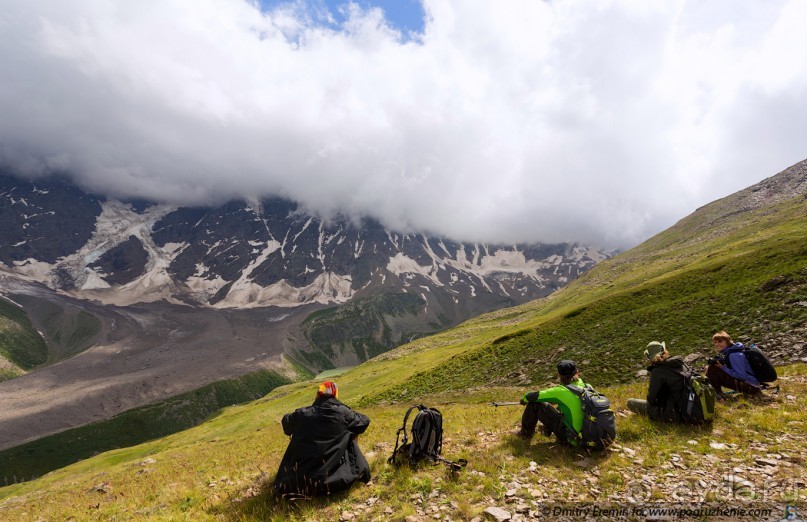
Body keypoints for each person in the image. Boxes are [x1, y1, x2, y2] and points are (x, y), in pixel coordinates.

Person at [274, 381, 371, 497]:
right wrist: (346, 409)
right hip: (336, 481)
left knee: (293, 433)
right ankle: (350, 466)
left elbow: (286, 423)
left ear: (318, 395)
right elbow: (364, 421)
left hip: (298, 482)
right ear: (335, 394)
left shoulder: (301, 414)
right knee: (352, 431)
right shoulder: (342, 413)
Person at [516, 360, 585, 445]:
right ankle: (545, 432)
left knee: (535, 403)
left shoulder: (561, 391)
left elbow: (532, 396)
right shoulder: (586, 387)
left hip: (571, 439)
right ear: (577, 372)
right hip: (586, 437)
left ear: (559, 374)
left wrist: (524, 400)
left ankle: (525, 435)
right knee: (561, 408)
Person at [627, 341, 693, 421]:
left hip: (676, 413)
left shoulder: (658, 371)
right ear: (664, 351)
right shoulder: (680, 363)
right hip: (691, 408)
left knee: (630, 402)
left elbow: (652, 400)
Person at [706, 331, 761, 397]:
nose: (717, 344)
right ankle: (717, 394)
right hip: (751, 385)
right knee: (711, 368)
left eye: (720, 341)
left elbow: (741, 376)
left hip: (752, 387)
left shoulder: (734, 355)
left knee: (712, 369)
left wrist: (722, 367)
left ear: (727, 342)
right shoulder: (731, 352)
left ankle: (719, 397)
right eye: (715, 342)